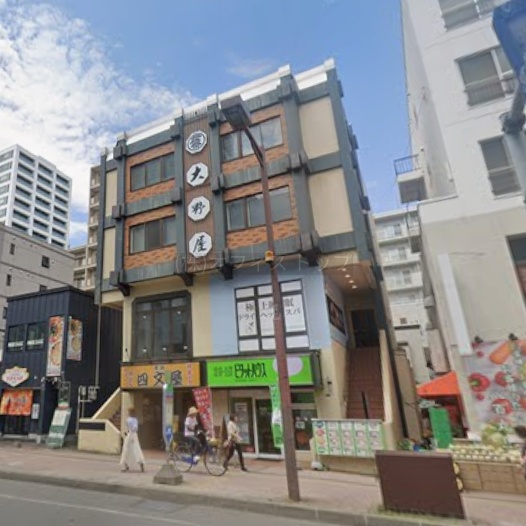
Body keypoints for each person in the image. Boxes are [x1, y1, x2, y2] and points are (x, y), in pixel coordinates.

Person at [120, 408, 145, 473]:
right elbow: (135, 428)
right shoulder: (135, 420)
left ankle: (125, 464)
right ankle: (140, 463)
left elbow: (131, 428)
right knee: (136, 448)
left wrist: (130, 431)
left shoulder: (128, 420)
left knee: (126, 449)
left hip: (130, 434)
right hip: (134, 435)